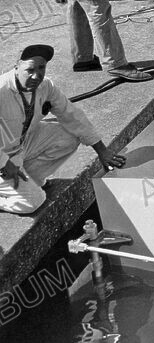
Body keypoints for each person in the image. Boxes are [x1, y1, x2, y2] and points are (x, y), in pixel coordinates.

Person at [0, 44, 125, 215]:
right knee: (33, 202)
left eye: (41, 68)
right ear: (16, 66)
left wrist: (102, 150)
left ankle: (30, 180)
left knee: (69, 136)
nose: (36, 75)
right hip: (2, 157)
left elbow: (71, 114)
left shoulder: (45, 85)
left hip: (19, 146)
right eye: (29, 69)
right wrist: (4, 163)